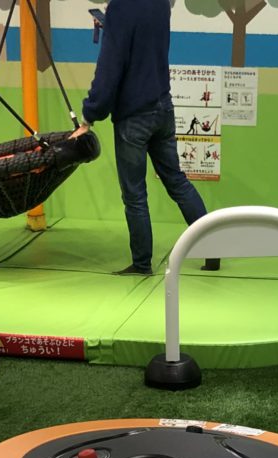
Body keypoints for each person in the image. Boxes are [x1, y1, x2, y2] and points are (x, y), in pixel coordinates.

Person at [76, 0, 218, 276]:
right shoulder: (161, 3)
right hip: (163, 107)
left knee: (135, 195)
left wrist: (89, 116)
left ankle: (142, 264)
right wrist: (111, 24)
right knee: (177, 181)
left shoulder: (120, 8)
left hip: (133, 116)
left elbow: (109, 69)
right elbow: (144, 42)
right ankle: (212, 250)